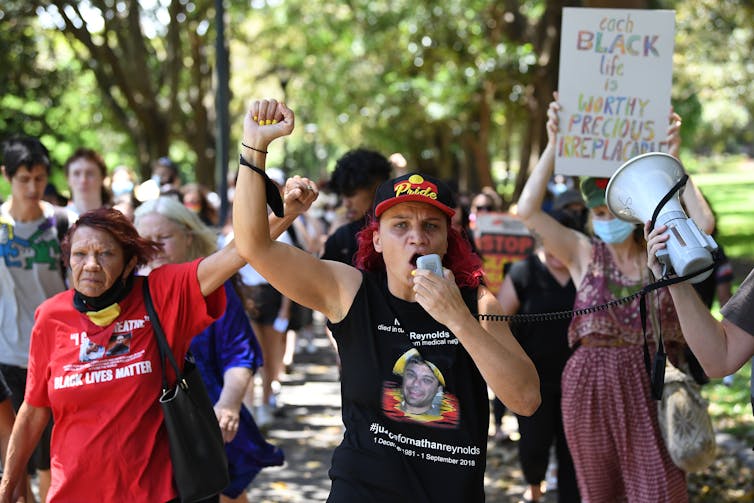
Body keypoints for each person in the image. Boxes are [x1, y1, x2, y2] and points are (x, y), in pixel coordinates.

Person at [232, 99, 540, 501]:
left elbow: (526, 400)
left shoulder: (477, 303)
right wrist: (254, 147)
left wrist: (458, 320)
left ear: (448, 240)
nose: (417, 236)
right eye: (400, 225)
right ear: (376, 239)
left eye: (431, 225)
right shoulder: (350, 290)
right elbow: (253, 244)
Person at [0, 176, 316, 501]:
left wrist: (287, 212)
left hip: (152, 492)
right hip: (72, 493)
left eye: (105, 254)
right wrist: (10, 480)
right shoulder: (51, 316)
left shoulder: (161, 293)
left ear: (129, 262)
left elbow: (239, 251)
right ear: (67, 260)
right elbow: (34, 408)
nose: (91, 265)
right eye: (80, 254)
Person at [515, 93, 715, 502]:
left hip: (654, 384)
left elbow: (705, 223)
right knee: (599, 494)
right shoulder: (582, 251)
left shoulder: (661, 247)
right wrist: (555, 145)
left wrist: (675, 165)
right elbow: (527, 210)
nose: (606, 220)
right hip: (590, 386)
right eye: (599, 213)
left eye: (613, 211)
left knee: (661, 491)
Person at [134, 196, 285, 502]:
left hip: (207, 423)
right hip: (145, 432)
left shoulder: (213, 287)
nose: (155, 248)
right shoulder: (128, 291)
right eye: (146, 241)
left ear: (188, 237)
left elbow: (239, 354)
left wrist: (229, 404)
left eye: (164, 238)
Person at [1, 135, 71, 502]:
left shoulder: (63, 224)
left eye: (40, 179)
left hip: (56, 359)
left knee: (53, 460)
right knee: (14, 464)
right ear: (6, 176)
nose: (32, 187)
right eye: (23, 179)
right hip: (6, 359)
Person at [497, 209, 582, 503]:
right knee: (534, 446)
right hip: (534, 383)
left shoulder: (586, 274)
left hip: (579, 384)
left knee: (573, 451)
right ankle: (535, 489)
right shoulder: (524, 272)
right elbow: (496, 322)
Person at [320, 148, 392, 265]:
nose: (345, 203)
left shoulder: (405, 231)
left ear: (377, 186)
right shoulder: (341, 238)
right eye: (342, 196)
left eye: (351, 194)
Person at [63, 147, 112, 216]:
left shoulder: (116, 220)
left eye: (90, 173)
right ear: (68, 179)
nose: (83, 180)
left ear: (102, 177)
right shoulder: (57, 221)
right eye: (76, 174)